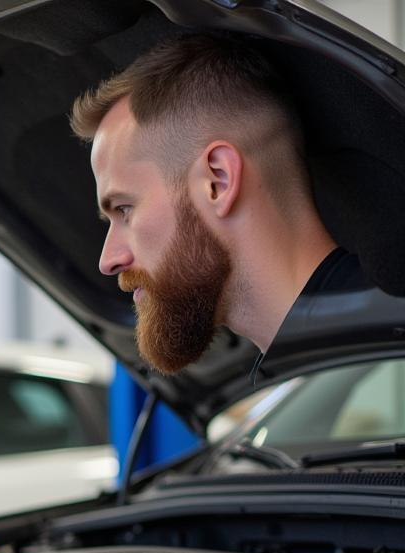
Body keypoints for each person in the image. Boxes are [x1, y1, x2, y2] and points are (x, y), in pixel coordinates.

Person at [70, 32, 370, 382]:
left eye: (124, 209)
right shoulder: (317, 383)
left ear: (219, 180)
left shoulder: (385, 370)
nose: (109, 260)